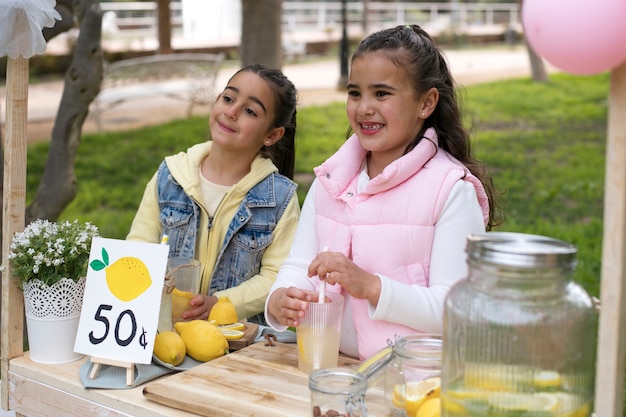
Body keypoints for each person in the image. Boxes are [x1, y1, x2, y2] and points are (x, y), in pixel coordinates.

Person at [265, 25, 501, 360]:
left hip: (414, 379)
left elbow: (458, 309)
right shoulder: (331, 181)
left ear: (426, 102)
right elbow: (300, 265)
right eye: (355, 93)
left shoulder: (450, 191)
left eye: (382, 93)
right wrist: (280, 299)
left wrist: (373, 287)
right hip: (334, 371)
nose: (364, 108)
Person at [127, 64, 301, 325]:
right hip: (165, 332)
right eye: (228, 98)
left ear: (272, 135)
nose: (231, 113)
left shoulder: (280, 198)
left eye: (250, 111)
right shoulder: (171, 176)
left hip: (239, 345)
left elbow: (276, 275)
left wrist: (223, 303)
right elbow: (137, 249)